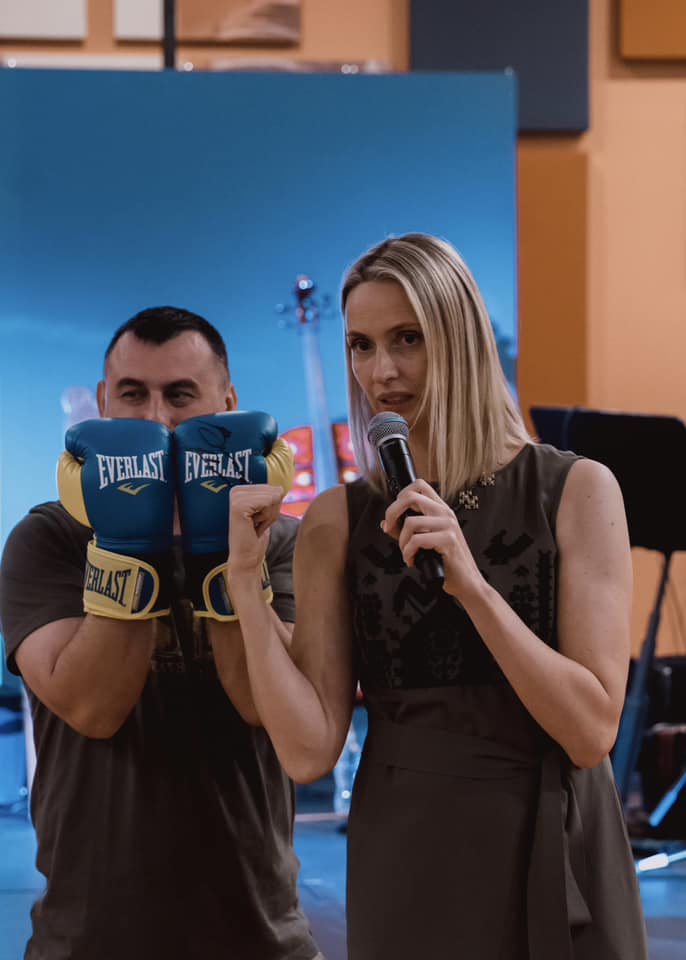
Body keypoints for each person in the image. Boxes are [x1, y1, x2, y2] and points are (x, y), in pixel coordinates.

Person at [225, 234, 649, 959]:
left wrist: (473, 588)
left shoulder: (576, 490)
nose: (381, 371)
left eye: (408, 339)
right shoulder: (337, 520)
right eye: (361, 346)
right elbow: (307, 751)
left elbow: (590, 731)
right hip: (407, 855)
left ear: (462, 339)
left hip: (556, 842)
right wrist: (244, 582)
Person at [0, 306, 322, 960]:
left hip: (260, 935)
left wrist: (223, 550)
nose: (156, 420)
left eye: (180, 395)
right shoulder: (50, 539)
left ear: (227, 404)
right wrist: (128, 539)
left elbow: (262, 703)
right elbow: (93, 707)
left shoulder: (285, 543)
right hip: (89, 940)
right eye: (132, 394)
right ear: (102, 403)